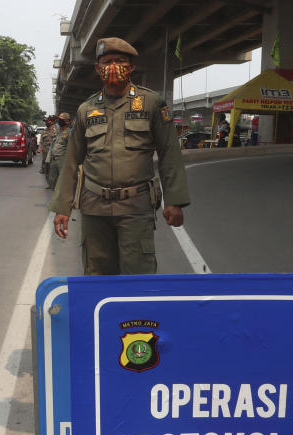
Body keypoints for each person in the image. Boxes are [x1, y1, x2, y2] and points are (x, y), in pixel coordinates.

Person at [48, 37, 190, 275]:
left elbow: (169, 153)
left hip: (135, 207)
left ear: (132, 66)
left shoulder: (151, 103)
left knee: (138, 277)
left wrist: (174, 200)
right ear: (97, 69)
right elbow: (72, 160)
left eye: (119, 61)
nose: (112, 67)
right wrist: (62, 207)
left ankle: (138, 315)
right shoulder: (86, 110)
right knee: (97, 275)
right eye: (106, 62)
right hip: (94, 208)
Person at [45, 113, 72, 190]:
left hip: (62, 160)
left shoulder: (69, 133)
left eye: (60, 120)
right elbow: (53, 146)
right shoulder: (58, 132)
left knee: (63, 183)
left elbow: (71, 148)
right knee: (52, 181)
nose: (58, 121)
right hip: (54, 160)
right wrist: (48, 158)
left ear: (67, 121)